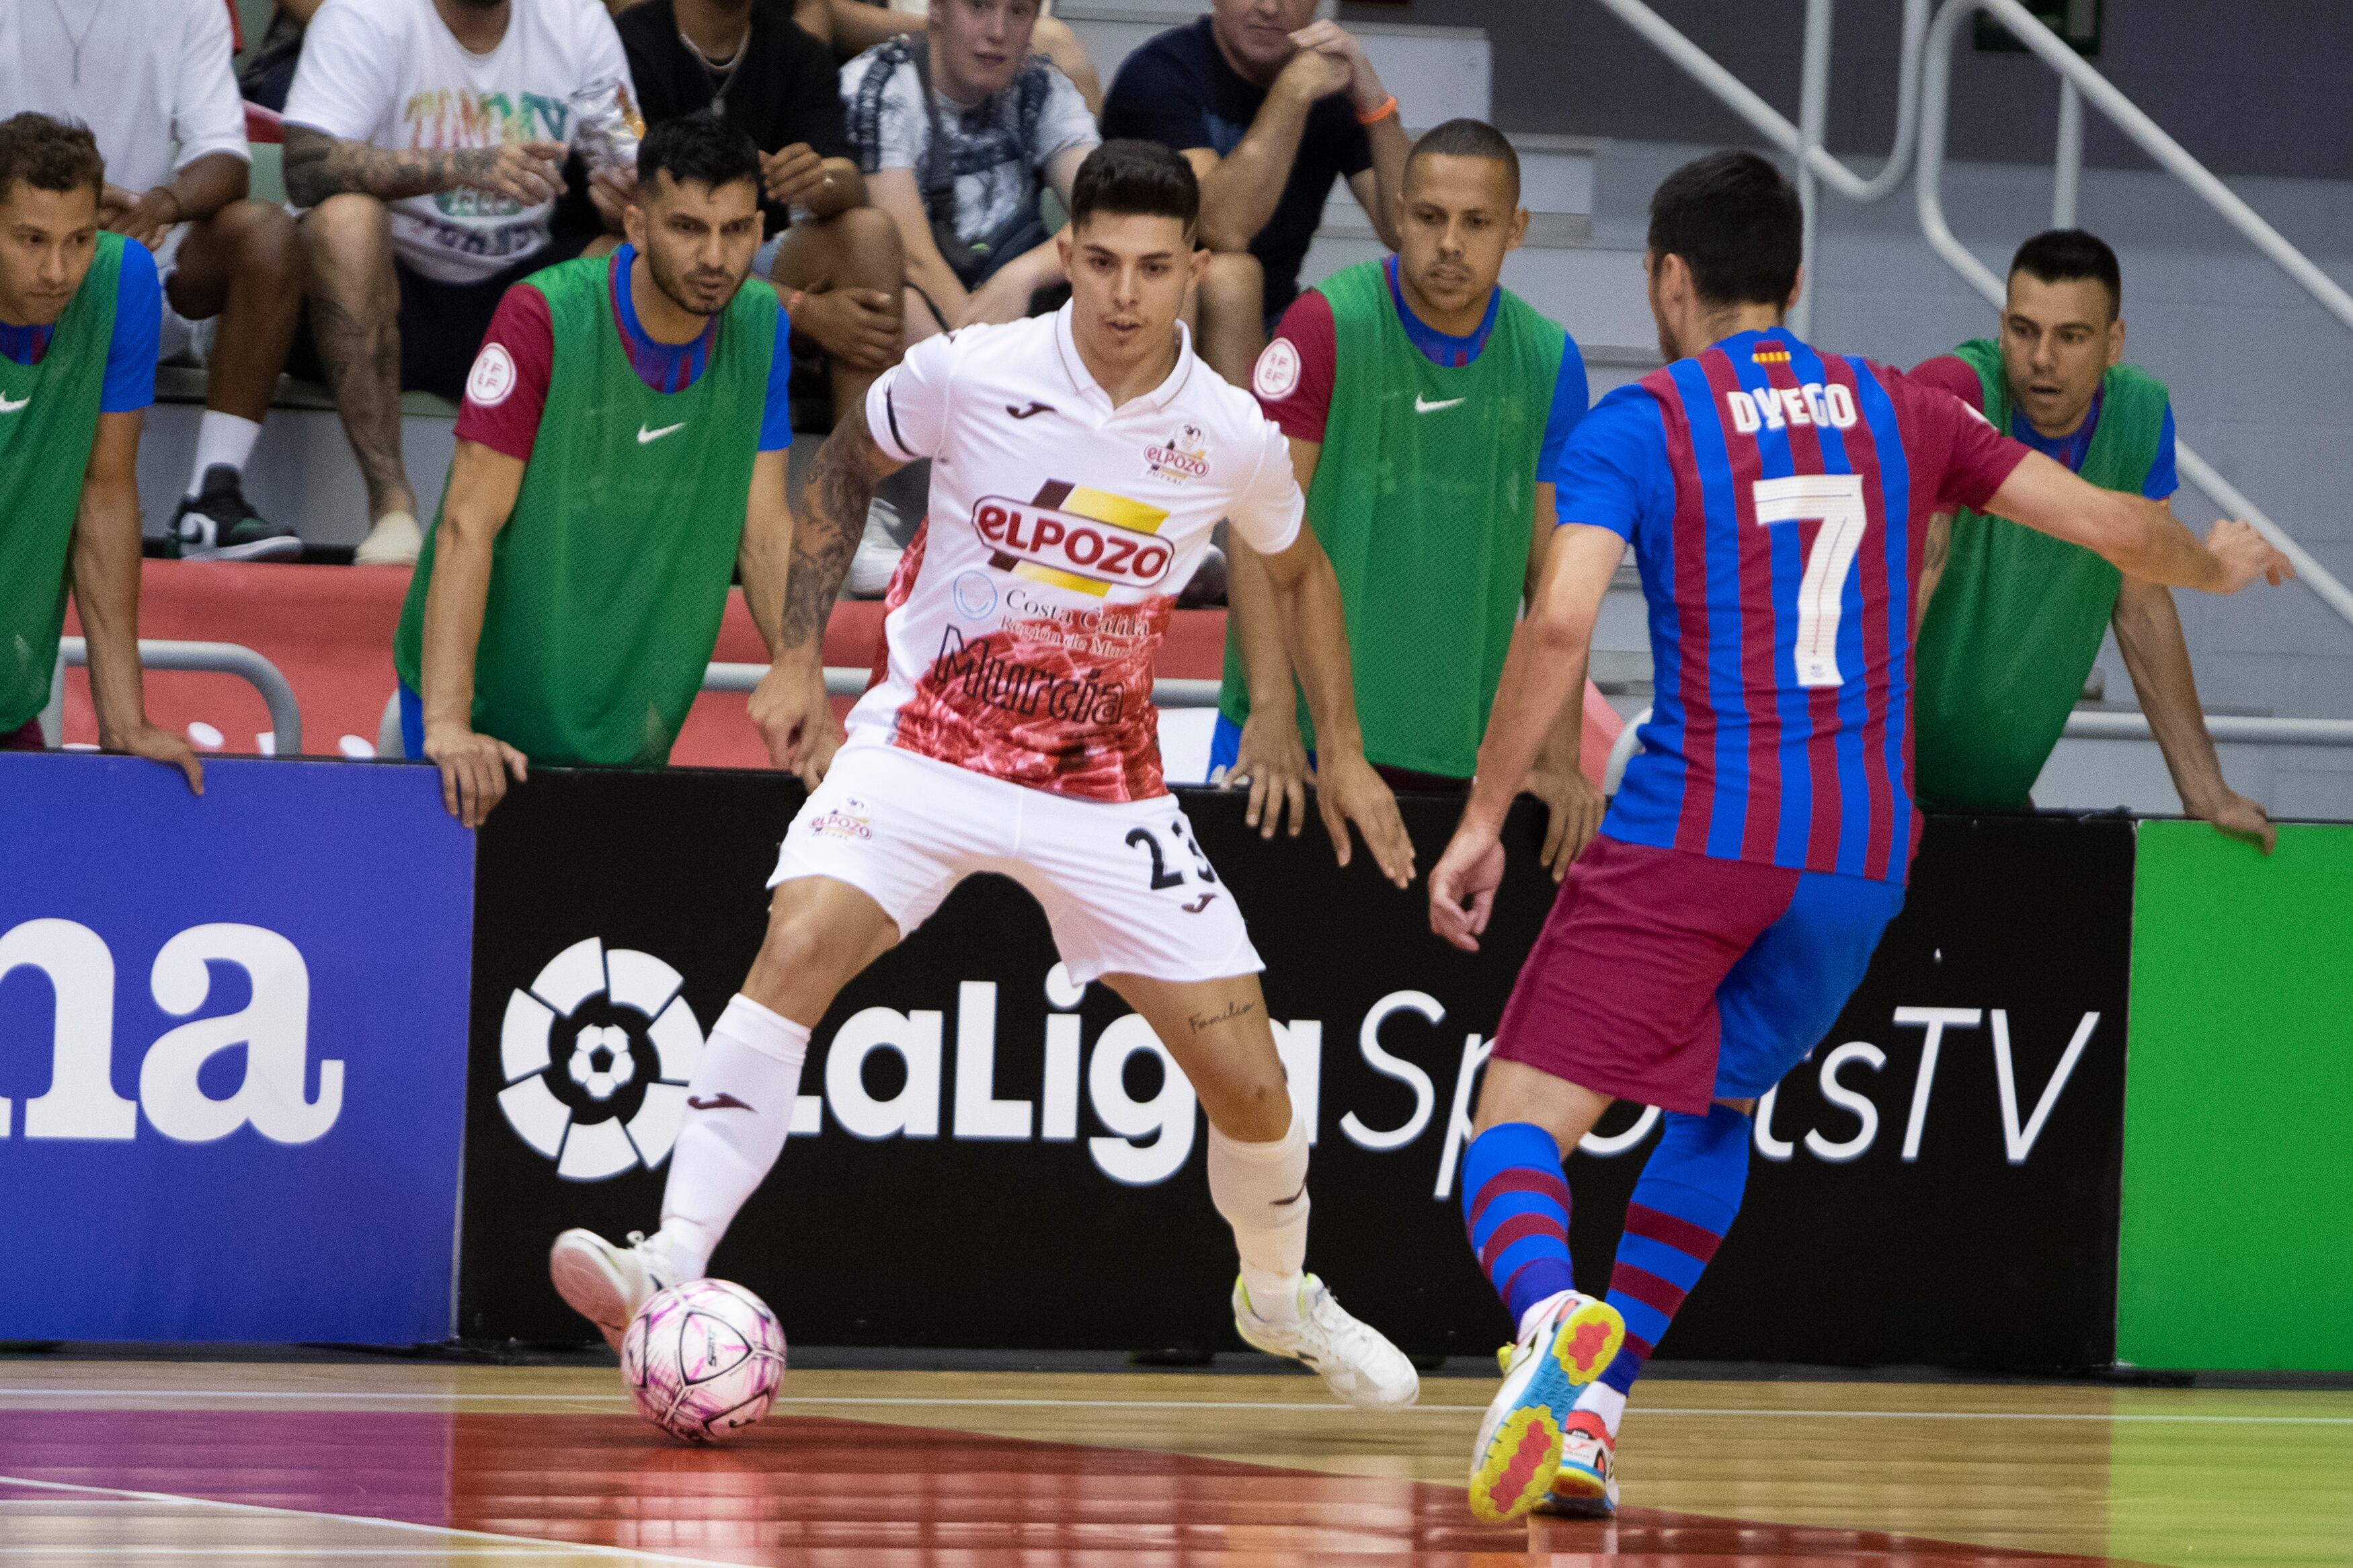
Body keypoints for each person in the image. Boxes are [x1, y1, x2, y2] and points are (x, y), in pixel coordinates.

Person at [1423, 151, 2288, 1524]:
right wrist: (2217, 564)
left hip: (1699, 827)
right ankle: (1587, 1423)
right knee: (1714, 1102)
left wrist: (1483, 815)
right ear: (1796, 279)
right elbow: (2113, 528)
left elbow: (1562, 621)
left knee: (1512, 1124)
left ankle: (1547, 1322)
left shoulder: (1641, 423)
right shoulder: (1907, 409)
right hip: (1858, 855)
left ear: (1667, 278)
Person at [546, 140, 1424, 1411]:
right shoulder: (971, 372)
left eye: (1156, 269)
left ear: (1196, 271)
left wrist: (1342, 751)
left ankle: (1279, 1295)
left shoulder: (1227, 432)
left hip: (1106, 790)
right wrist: (799, 654)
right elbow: (847, 460)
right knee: (796, 943)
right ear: (1067, 256)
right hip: (924, 748)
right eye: (1104, 262)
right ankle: (667, 1258)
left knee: (1253, 1082)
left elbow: (1300, 572)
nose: (1126, 294)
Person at [1221, 119, 1601, 876]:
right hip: (1292, 746)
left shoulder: (1550, 358)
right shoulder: (1325, 324)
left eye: (1476, 222)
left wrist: (1558, 754)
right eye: (1429, 218)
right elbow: (1253, 529)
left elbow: (1553, 581)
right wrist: (1267, 714)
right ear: (1399, 214)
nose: (1450, 242)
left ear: (1515, 229)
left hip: (1458, 753)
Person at [395, 114, 797, 825]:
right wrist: (449, 727)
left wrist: (801, 669)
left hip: (627, 729)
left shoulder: (761, 326)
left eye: (735, 231)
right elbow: (466, 526)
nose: (714, 256)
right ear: (637, 225)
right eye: (687, 228)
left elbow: (764, 534)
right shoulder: (542, 316)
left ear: (759, 232)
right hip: (478, 725)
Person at [1908, 229, 2274, 851]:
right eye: (2023, 330)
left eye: (2071, 337)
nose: (2042, 357)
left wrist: (2206, 790)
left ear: (2113, 343)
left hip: (1997, 806)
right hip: (1890, 798)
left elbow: (2141, 606)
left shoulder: (2140, 416)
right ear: (2001, 327)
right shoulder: (1956, 390)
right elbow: (1907, 578)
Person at [282, 0, 645, 566]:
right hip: (386, 293)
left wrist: (626, 199)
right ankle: (392, 509)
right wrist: (460, 165)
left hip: (513, 297)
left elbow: (633, 153)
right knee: (345, 221)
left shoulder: (576, 17)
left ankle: (596, 526)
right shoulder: (365, 13)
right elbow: (305, 167)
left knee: (630, 259)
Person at [3, 0, 307, 560]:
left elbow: (224, 156)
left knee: (267, 235)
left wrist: (160, 205)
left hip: (146, 259)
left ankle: (211, 499)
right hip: (14, 253)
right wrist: (63, 218)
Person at [0, 115, 203, 788]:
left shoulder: (121, 284)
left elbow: (105, 490)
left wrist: (123, 716)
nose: (58, 271)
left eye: (79, 239)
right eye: (30, 240)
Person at [618, 0, 906, 423]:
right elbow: (633, 227)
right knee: (629, 250)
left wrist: (817, 180)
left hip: (756, 252)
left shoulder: (796, 50)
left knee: (869, 233)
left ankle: (855, 478)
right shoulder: (630, 44)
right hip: (653, 257)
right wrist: (803, 311)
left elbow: (847, 177)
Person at [1101, 0, 1408, 382]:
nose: (1269, 8)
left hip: (1274, 316)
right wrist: (1293, 90)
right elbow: (1220, 230)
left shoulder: (1328, 88)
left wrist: (1373, 102)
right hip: (1145, 309)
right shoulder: (1160, 74)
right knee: (1228, 278)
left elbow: (1407, 231)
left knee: (1373, 320)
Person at [840, 0, 1097, 343]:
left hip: (1015, 289)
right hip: (924, 294)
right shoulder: (880, 84)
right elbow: (912, 256)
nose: (998, 32)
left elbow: (1112, 207)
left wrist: (1026, 274)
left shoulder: (1041, 86)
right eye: (979, 7)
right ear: (936, 8)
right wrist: (977, 350)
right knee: (904, 303)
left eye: (1018, 12)